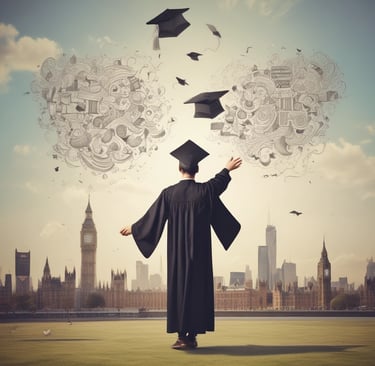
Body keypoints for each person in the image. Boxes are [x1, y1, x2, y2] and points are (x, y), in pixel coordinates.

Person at [120, 140, 242, 350]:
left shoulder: (169, 194)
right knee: (197, 292)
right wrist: (227, 168)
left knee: (179, 290)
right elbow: (218, 182)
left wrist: (135, 227)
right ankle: (191, 336)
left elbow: (153, 216)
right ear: (197, 170)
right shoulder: (205, 192)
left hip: (177, 254)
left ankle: (181, 336)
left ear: (179, 168)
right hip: (200, 254)